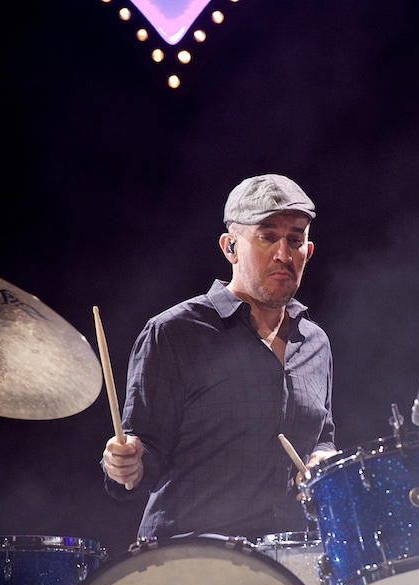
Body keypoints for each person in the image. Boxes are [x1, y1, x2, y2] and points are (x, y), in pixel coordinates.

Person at [101, 174, 338, 542]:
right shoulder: (174, 333)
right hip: (193, 562)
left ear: (308, 251)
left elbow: (322, 435)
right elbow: (144, 449)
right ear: (230, 247)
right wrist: (125, 463)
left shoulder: (315, 343)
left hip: (288, 565)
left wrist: (323, 458)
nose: (283, 253)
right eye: (266, 236)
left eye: (295, 239)